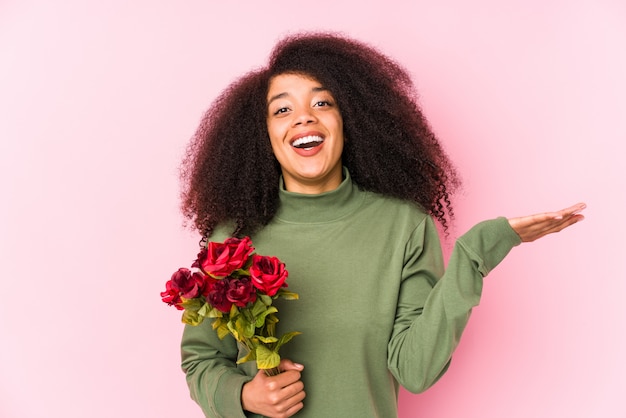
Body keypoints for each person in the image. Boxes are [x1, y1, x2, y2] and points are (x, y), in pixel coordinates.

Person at [177, 32, 585, 418]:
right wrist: (243, 395)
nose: (303, 119)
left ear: (349, 119)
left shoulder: (404, 226)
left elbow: (416, 370)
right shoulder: (231, 242)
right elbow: (201, 360)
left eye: (323, 104)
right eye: (282, 109)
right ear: (261, 134)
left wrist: (474, 254)